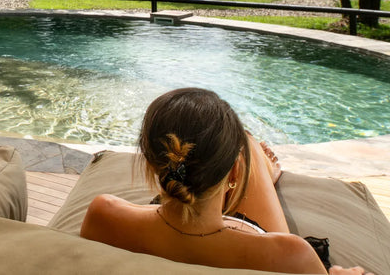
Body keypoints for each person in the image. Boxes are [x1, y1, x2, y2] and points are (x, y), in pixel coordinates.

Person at [80, 87, 372, 274]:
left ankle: (254, 163)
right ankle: (257, 166)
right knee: (244, 140)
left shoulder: (103, 214)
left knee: (240, 142)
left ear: (148, 163)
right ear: (234, 173)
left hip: (166, 218)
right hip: (245, 238)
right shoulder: (290, 255)